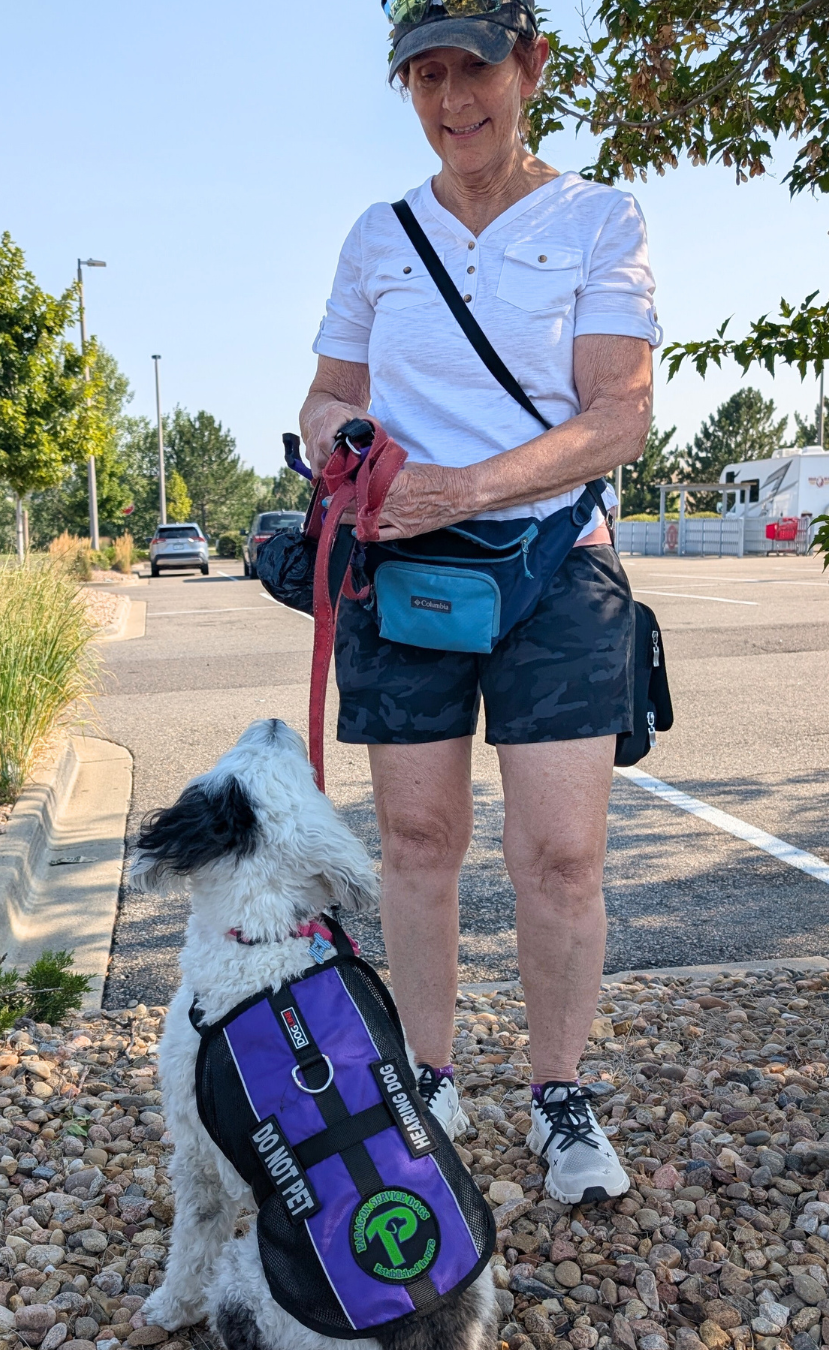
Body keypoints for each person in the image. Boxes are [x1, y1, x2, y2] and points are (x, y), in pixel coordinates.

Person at [299, 0, 659, 1204]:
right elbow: (325, 395)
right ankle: (428, 1075)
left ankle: (561, 1098)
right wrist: (346, 449)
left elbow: (619, 414)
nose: (454, 101)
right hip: (405, 574)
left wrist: (465, 487)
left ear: (532, 63)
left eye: (476, 69)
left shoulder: (602, 217)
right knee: (416, 843)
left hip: (557, 564)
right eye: (426, 77)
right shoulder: (379, 232)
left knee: (560, 853)